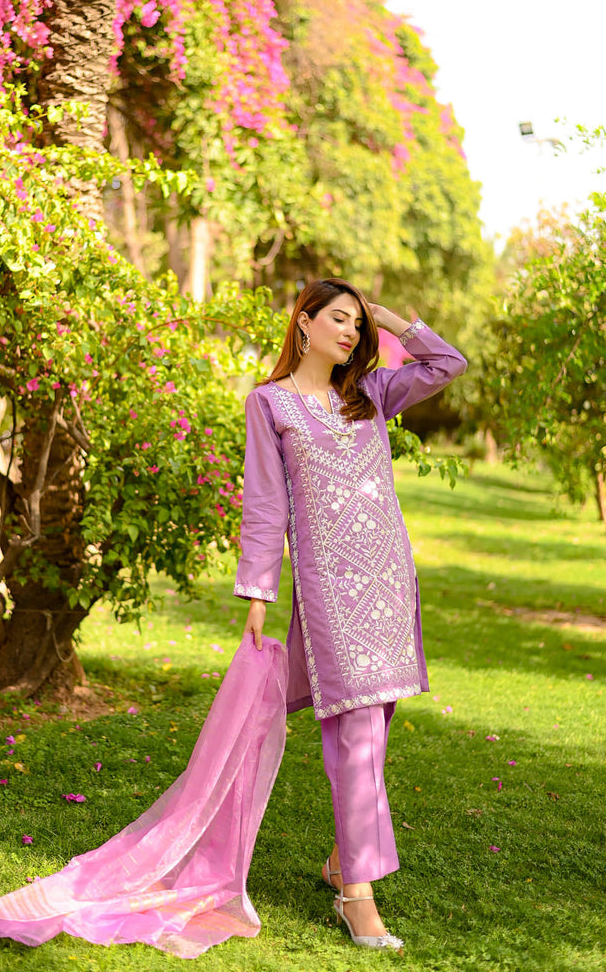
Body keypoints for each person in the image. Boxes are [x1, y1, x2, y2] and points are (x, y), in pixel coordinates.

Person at [234, 277, 467, 950]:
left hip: (388, 580)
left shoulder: (369, 394)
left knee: (375, 728)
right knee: (356, 730)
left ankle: (344, 857)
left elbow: (447, 364)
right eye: (339, 318)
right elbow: (265, 503)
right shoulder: (270, 404)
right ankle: (356, 895)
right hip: (330, 590)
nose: (350, 332)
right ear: (303, 322)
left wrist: (392, 320)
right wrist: (258, 589)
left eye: (357, 325)